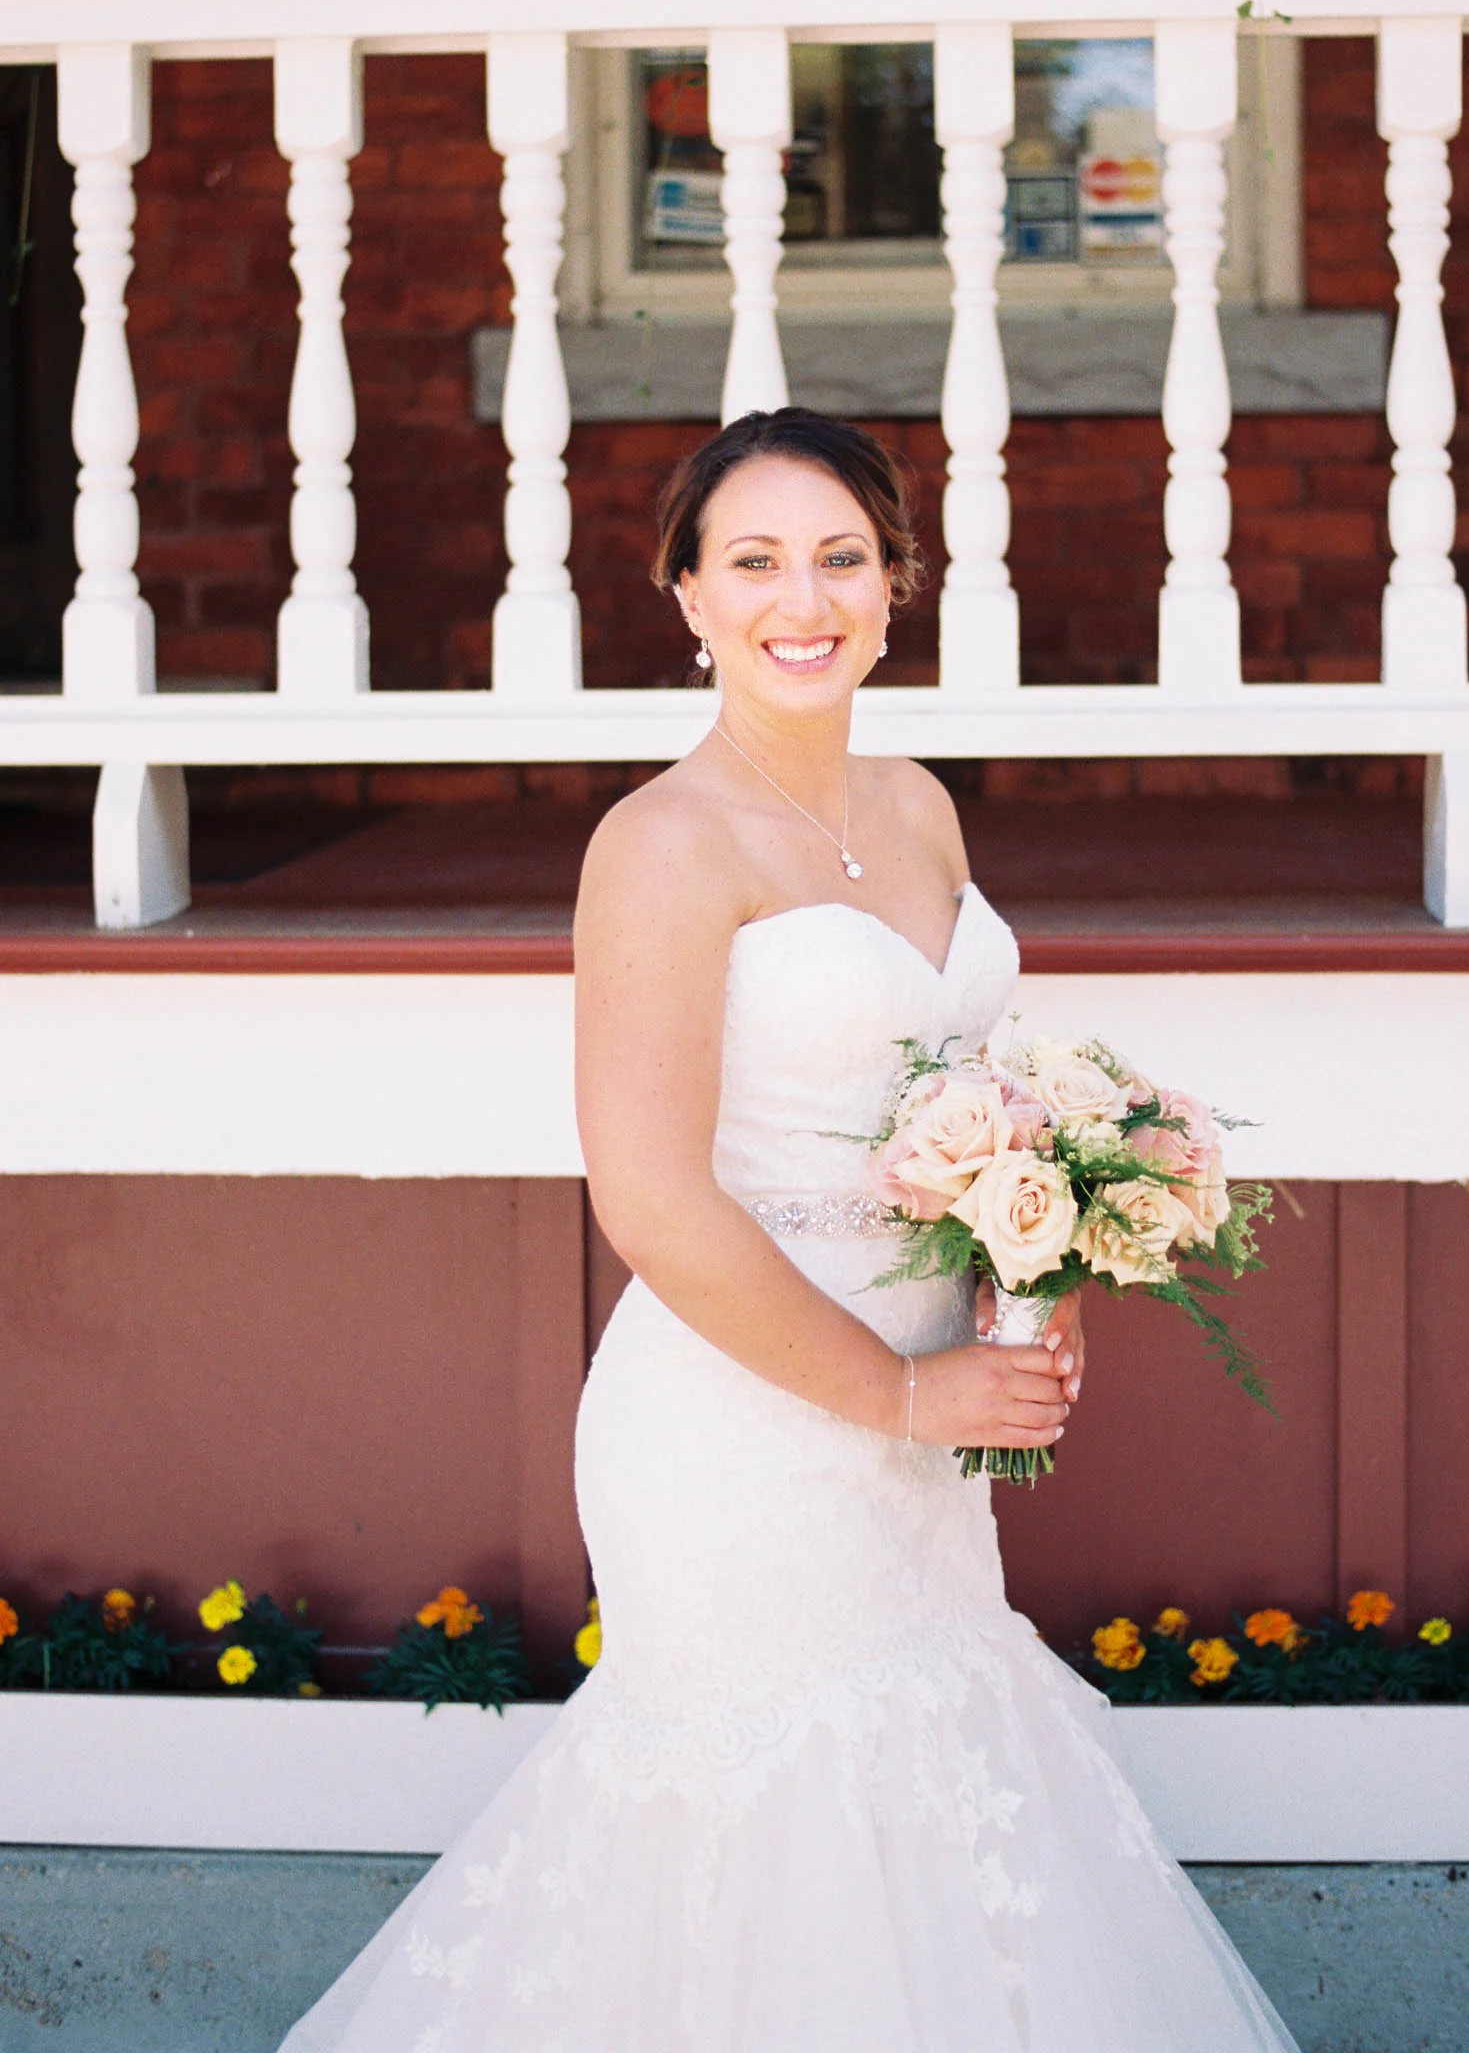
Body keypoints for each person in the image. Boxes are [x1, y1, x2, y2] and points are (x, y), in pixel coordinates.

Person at [280, 408, 1298, 2053]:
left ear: (897, 583)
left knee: (934, 1801)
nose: (801, 600)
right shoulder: (661, 845)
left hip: (934, 1427)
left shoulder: (920, 806)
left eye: (840, 558)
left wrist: (1039, 1268)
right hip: (739, 1431)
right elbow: (650, 1196)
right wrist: (896, 1393)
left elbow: (968, 1097)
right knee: (774, 1835)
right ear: (688, 596)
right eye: (753, 562)